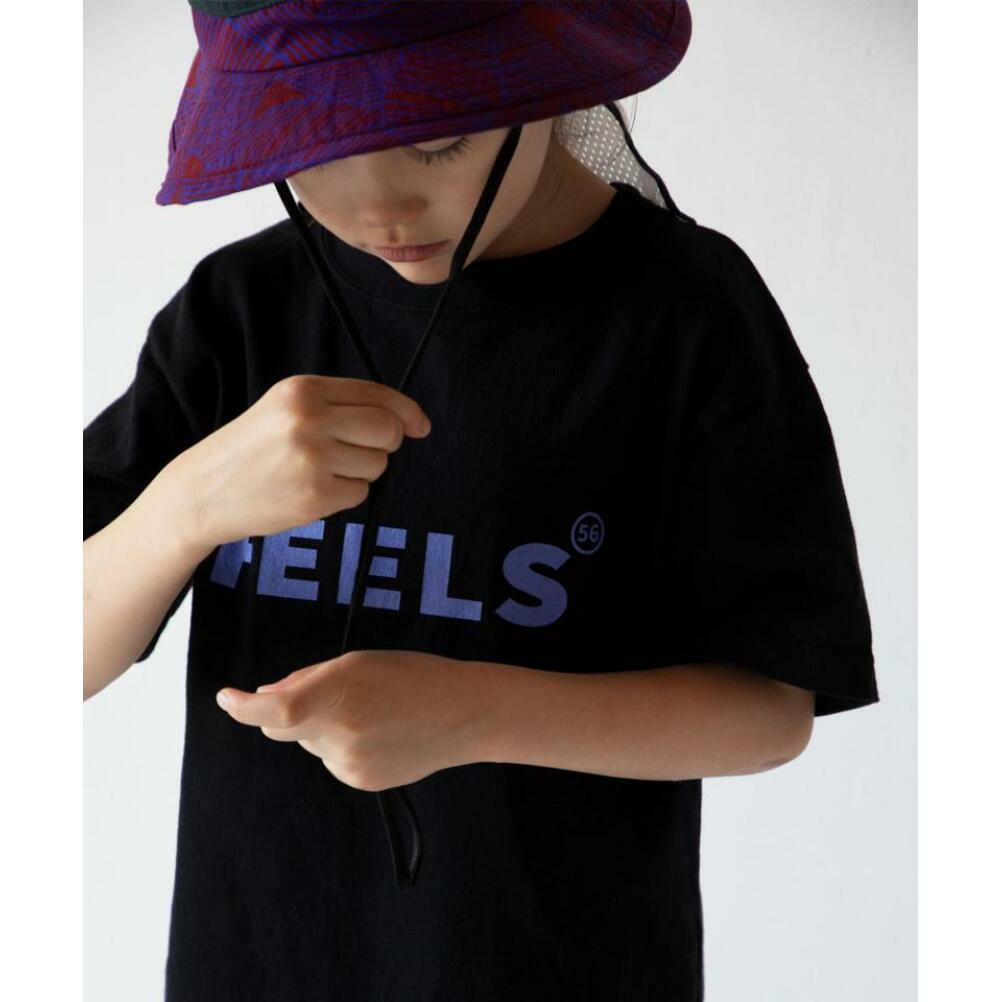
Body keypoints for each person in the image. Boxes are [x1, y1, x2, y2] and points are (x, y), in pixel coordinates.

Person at [83, 2, 879, 1000]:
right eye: (317, 147)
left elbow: (772, 709)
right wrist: (186, 505)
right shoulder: (239, 311)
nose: (381, 211)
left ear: (540, 72)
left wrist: (469, 715)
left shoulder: (688, 315)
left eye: (434, 142)